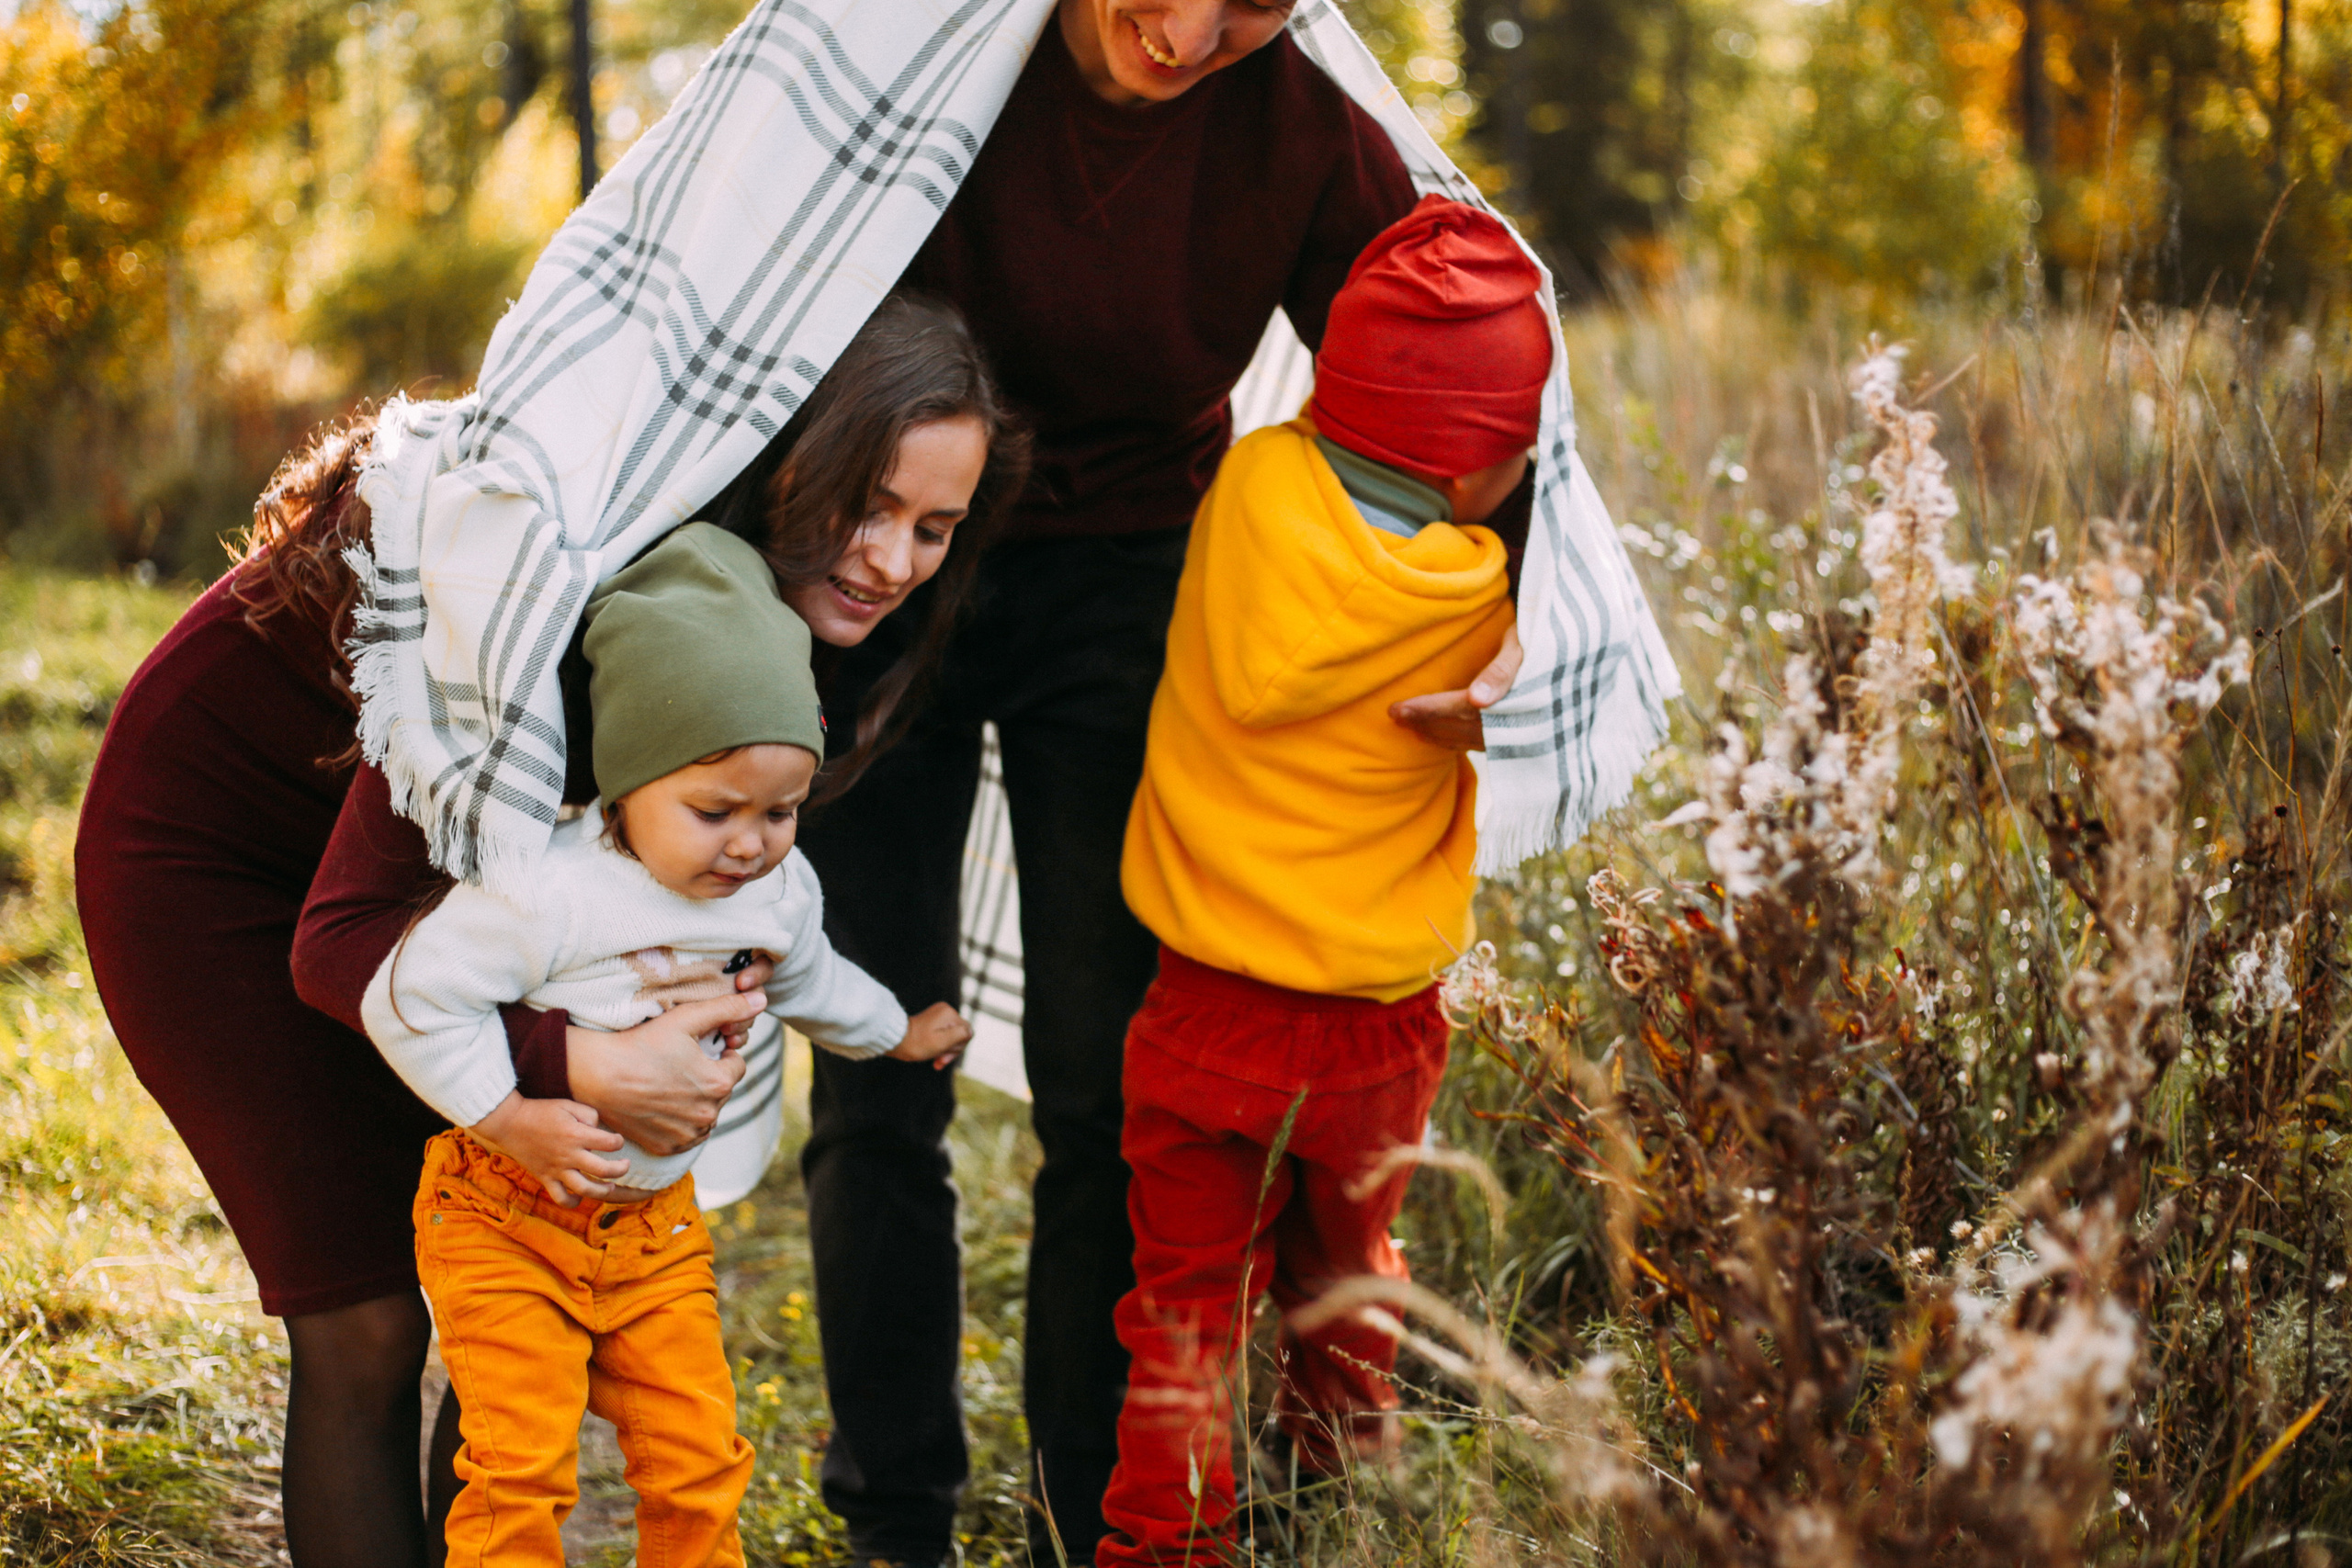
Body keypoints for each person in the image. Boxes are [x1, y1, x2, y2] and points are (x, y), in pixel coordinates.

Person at [75, 293, 1022, 1568]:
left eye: (933, 527)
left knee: (517, 1282)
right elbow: (339, 939)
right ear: (782, 458)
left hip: (431, 897)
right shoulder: (570, 590)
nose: (893, 561)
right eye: (868, 502)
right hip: (222, 857)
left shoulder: (751, 620)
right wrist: (568, 1058)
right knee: (365, 1325)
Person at [793, 6, 1544, 1561]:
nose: (1196, 27)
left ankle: (1089, 1512)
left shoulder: (1300, 128)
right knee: (879, 1066)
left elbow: (1474, 360)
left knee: (1104, 1084)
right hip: (883, 565)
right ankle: (894, 1515)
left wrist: (1520, 603)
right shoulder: (928, 43)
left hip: (1127, 583)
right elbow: (729, 257)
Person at [366, 523, 971, 1565]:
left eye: (782, 810)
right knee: (519, 1468)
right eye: (713, 809)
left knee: (697, 1459)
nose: (749, 842)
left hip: (654, 1232)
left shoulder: (772, 889)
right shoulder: (544, 889)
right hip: (507, 1214)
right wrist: (510, 1117)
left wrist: (896, 1032)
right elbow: (411, 1000)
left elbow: (811, 974)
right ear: (628, 782)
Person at [1094, 197, 1547, 1568]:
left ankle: (1162, 1545)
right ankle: (1346, 1507)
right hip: (1374, 1028)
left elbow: (1316, 438)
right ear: (1489, 470)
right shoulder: (1487, 592)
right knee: (1348, 1279)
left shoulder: (1244, 494)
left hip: (1203, 1008)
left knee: (1181, 1308)